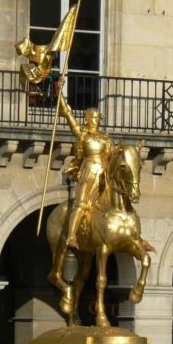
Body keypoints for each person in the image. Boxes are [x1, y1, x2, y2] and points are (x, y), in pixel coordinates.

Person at [58, 78, 114, 248]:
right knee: (81, 203)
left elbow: (113, 155)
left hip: (104, 173)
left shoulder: (106, 138)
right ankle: (71, 236)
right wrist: (60, 92)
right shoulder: (83, 135)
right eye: (94, 117)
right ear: (87, 119)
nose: (97, 120)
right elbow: (68, 114)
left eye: (98, 117)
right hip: (88, 171)